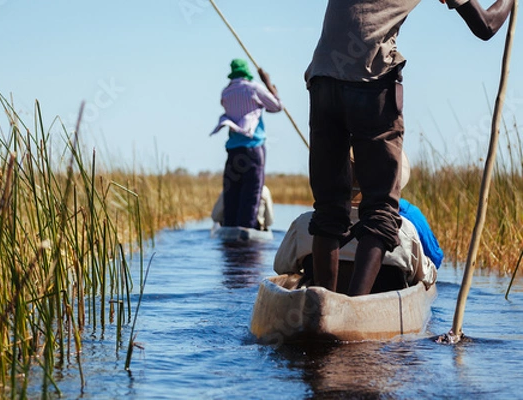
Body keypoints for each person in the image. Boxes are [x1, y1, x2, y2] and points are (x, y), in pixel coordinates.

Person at [305, 0, 513, 296]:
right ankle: (355, 310)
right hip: (370, 82)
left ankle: (321, 304)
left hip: (322, 80)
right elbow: (487, 25)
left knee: (328, 209)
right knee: (380, 210)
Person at [274, 154, 442, 290]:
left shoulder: (305, 224)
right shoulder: (403, 229)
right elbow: (425, 277)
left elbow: (281, 267)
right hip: (380, 311)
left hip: (318, 304)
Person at [211, 59, 283, 229]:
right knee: (251, 195)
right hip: (253, 149)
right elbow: (277, 106)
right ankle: (246, 236)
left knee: (232, 195)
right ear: (247, 73)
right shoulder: (254, 88)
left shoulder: (226, 93)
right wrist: (268, 84)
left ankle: (230, 234)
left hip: (233, 151)